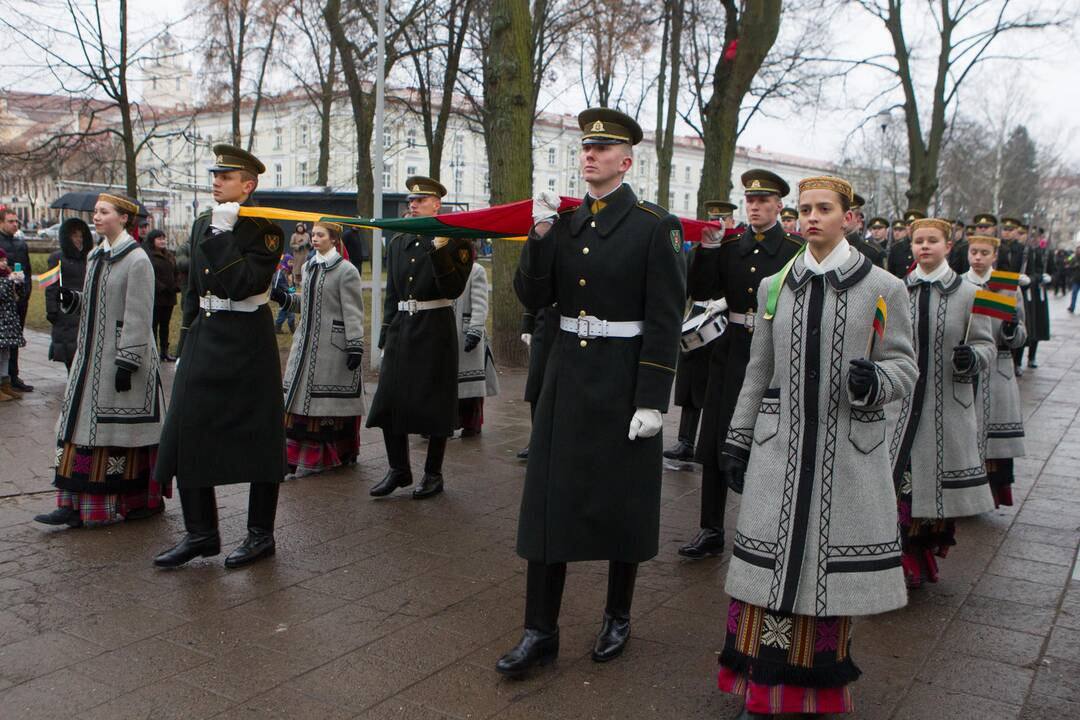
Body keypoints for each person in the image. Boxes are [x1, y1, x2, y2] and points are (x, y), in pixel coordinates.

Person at [717, 176, 917, 719]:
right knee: (764, 573)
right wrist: (737, 439)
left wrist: (873, 379)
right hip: (778, 450)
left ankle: (814, 696)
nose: (810, 218)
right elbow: (759, 368)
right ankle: (760, 695)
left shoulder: (884, 288)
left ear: (848, 217)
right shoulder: (775, 285)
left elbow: (905, 365)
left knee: (823, 580)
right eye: (803, 209)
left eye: (823, 208)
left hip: (847, 454)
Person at [495, 107, 685, 679]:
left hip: (624, 377)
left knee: (621, 499)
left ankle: (617, 615)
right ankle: (540, 630)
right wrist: (540, 235)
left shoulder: (656, 226)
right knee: (549, 502)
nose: (589, 155)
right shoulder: (568, 223)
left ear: (626, 160)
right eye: (584, 148)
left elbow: (665, 316)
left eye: (602, 149)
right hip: (568, 378)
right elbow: (533, 290)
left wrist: (653, 398)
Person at [154, 144, 287, 569]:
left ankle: (260, 535)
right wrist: (186, 338)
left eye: (226, 177)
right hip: (206, 337)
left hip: (247, 339)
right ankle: (201, 533)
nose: (216, 181)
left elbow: (244, 284)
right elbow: (193, 287)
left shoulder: (265, 227)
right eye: (215, 175)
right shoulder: (201, 223)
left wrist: (225, 236)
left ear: (247, 186)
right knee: (186, 429)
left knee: (259, 436)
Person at [680, 170, 802, 561]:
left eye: (764, 201)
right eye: (750, 200)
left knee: (768, 438)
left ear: (779, 206)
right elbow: (701, 291)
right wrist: (708, 250)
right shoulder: (731, 246)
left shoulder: (794, 251)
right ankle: (710, 527)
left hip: (774, 352)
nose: (755, 207)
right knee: (717, 435)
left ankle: (768, 526)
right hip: (731, 351)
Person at [34, 193, 165, 528]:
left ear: (124, 218)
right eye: (95, 212)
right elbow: (96, 304)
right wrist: (73, 300)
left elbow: (138, 315)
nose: (96, 217)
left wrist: (129, 361)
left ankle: (139, 502)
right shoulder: (96, 255)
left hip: (121, 363)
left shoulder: (137, 261)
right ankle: (71, 505)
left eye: (104, 212)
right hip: (90, 361)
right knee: (77, 431)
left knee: (118, 437)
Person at [890, 218, 995, 589]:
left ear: (948, 246)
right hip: (900, 409)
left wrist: (973, 358)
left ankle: (918, 562)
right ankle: (897, 562)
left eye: (932, 240)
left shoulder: (970, 293)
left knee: (929, 489)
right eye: (918, 241)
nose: (924, 246)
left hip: (945, 407)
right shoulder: (897, 290)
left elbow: (987, 345)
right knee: (899, 487)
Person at [366, 176, 474, 499]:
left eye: (420, 200)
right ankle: (398, 469)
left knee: (436, 403)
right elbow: (392, 293)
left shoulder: (456, 241)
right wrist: (385, 335)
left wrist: (439, 248)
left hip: (435, 327)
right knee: (388, 400)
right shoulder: (399, 241)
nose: (412, 205)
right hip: (402, 326)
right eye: (411, 201)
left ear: (437, 204)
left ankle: (433, 473)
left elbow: (452, 289)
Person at [274, 221, 366, 478]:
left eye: (320, 235)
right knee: (296, 403)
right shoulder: (308, 265)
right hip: (304, 346)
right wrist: (285, 298)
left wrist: (355, 345)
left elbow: (354, 310)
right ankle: (291, 459)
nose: (314, 238)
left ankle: (333, 454)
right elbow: (308, 302)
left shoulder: (347, 271)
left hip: (331, 347)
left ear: (334, 239)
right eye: (313, 234)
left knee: (325, 407)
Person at [664, 199, 736, 465]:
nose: (717, 224)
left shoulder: (734, 249)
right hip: (697, 315)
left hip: (722, 320)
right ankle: (685, 440)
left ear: (730, 222)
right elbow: (689, 282)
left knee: (711, 384)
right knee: (689, 380)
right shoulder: (697, 249)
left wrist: (727, 301)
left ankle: (710, 440)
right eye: (713, 219)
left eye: (722, 220)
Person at [963, 234, 1026, 508]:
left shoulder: (1007, 288)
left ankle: (992, 495)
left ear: (993, 256)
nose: (977, 257)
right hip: (969, 368)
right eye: (974, 252)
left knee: (992, 438)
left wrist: (1012, 328)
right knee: (965, 433)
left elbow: (1023, 334)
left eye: (983, 253)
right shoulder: (960, 284)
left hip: (999, 367)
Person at [453, 249, 499, 437]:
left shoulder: (476, 270)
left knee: (470, 385)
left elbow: (480, 304)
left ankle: (471, 424)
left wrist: (475, 330)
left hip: (468, 334)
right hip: (447, 333)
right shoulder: (443, 269)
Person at [45, 218, 92, 371]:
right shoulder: (56, 258)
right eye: (74, 236)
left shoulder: (90, 257)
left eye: (81, 236)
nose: (78, 240)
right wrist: (51, 309)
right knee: (69, 349)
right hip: (66, 310)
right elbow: (49, 286)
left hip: (86, 307)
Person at [518, 304, 558, 460]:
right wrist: (527, 324)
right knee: (536, 384)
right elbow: (534, 289)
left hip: (568, 325)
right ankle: (537, 439)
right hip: (543, 325)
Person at [0, 209, 33, 392]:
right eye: (10, 221)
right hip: (3, 300)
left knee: (15, 337)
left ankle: (13, 375)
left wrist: (26, 291)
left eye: (16, 221)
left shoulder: (21, 244)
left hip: (19, 299)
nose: (15, 224)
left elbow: (27, 269)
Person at [1018, 223, 1052, 369]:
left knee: (1037, 324)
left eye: (1036, 236)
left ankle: (1032, 356)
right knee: (1025, 324)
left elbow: (1052, 271)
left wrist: (1047, 277)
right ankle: (1017, 361)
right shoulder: (1023, 251)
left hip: (1038, 293)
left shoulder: (1044, 253)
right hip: (1025, 291)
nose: (1033, 239)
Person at [146, 229, 179, 362]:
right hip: (156, 297)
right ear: (153, 241)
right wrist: (161, 287)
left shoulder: (170, 255)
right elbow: (149, 275)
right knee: (154, 325)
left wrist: (176, 285)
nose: (162, 241)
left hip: (169, 298)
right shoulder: (149, 256)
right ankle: (153, 351)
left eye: (163, 238)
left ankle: (164, 352)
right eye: (159, 238)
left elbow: (176, 272)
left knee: (165, 325)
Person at [0, 248, 26, 401]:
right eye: (1, 260)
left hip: (8, 320)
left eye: (5, 260)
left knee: (6, 354)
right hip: (2, 320)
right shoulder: (6, 278)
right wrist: (10, 280)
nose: (4, 263)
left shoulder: (7, 275)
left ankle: (5, 384)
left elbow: (18, 296)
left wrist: (19, 283)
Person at [845, 193, 885, 267]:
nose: (843, 219)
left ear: (858, 219)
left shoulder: (874, 252)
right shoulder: (824, 248)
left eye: (848, 215)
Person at [273, 255, 297, 333]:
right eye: (290, 262)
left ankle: (288, 327)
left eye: (292, 262)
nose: (292, 264)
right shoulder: (280, 271)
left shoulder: (290, 271)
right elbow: (277, 284)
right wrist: (288, 289)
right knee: (285, 312)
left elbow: (291, 282)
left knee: (289, 311)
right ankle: (279, 327)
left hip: (289, 295)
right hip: (283, 296)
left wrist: (293, 287)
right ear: (285, 262)